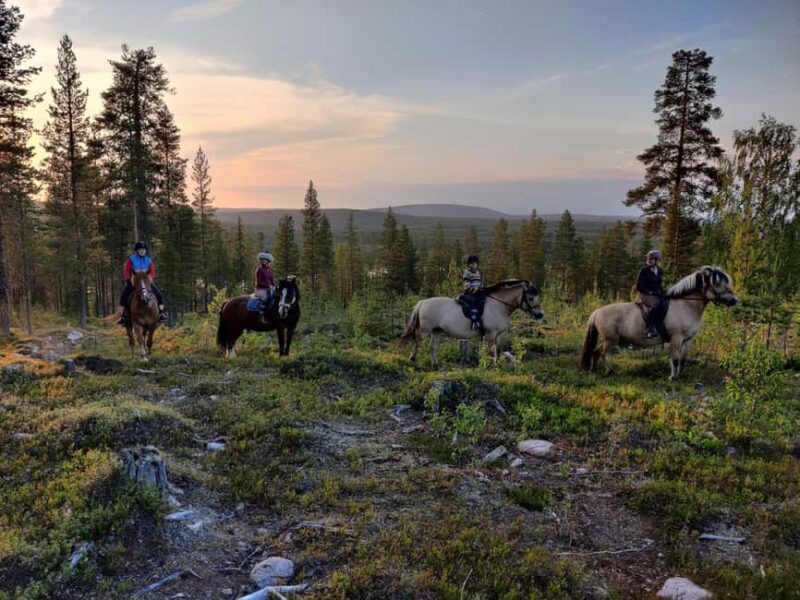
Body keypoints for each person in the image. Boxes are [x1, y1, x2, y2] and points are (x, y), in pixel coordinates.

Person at [115, 241, 165, 325]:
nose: (142, 251)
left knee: (159, 295)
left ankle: (161, 313)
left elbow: (152, 272)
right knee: (124, 296)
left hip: (146, 281)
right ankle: (123, 316)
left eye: (144, 249)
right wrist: (128, 279)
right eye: (140, 249)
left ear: (146, 250)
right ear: (137, 250)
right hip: (134, 281)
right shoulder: (131, 259)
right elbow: (126, 271)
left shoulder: (149, 260)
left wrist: (150, 279)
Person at [636, 249, 666, 339]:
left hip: (657, 294)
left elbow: (659, 285)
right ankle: (648, 328)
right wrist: (649, 291)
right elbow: (638, 286)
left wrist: (664, 293)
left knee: (667, 304)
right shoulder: (643, 271)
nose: (648, 261)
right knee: (656, 305)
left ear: (657, 261)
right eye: (648, 259)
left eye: (651, 259)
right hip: (644, 294)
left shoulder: (660, 271)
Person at [458, 254, 484, 331]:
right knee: (474, 301)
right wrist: (474, 289)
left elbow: (478, 283)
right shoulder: (467, 272)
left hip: (477, 292)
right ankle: (474, 321)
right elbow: (466, 284)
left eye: (475, 263)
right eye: (472, 263)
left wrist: (480, 288)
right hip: (468, 293)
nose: (473, 265)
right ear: (469, 264)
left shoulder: (478, 272)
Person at [254, 251, 275, 323]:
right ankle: (262, 315)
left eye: (265, 259)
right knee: (265, 298)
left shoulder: (270, 270)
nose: (263, 261)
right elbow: (259, 282)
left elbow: (272, 281)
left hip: (269, 288)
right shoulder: (259, 269)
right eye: (262, 259)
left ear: (268, 261)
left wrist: (274, 287)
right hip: (260, 289)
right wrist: (269, 286)